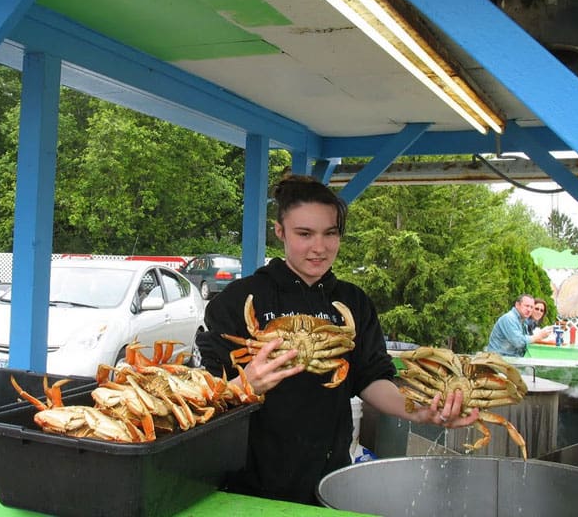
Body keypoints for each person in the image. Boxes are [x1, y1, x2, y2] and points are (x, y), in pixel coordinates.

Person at [196, 174, 478, 505]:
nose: (319, 247)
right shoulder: (239, 300)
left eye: (330, 233)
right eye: (304, 234)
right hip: (247, 483)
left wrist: (417, 412)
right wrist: (242, 388)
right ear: (279, 231)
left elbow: (371, 377)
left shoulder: (352, 303)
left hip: (328, 478)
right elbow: (201, 392)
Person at [486, 294, 551, 357]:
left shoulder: (523, 321)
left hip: (511, 359)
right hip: (499, 360)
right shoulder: (509, 318)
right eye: (526, 306)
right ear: (517, 305)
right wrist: (538, 336)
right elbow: (519, 342)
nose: (529, 309)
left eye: (531, 307)